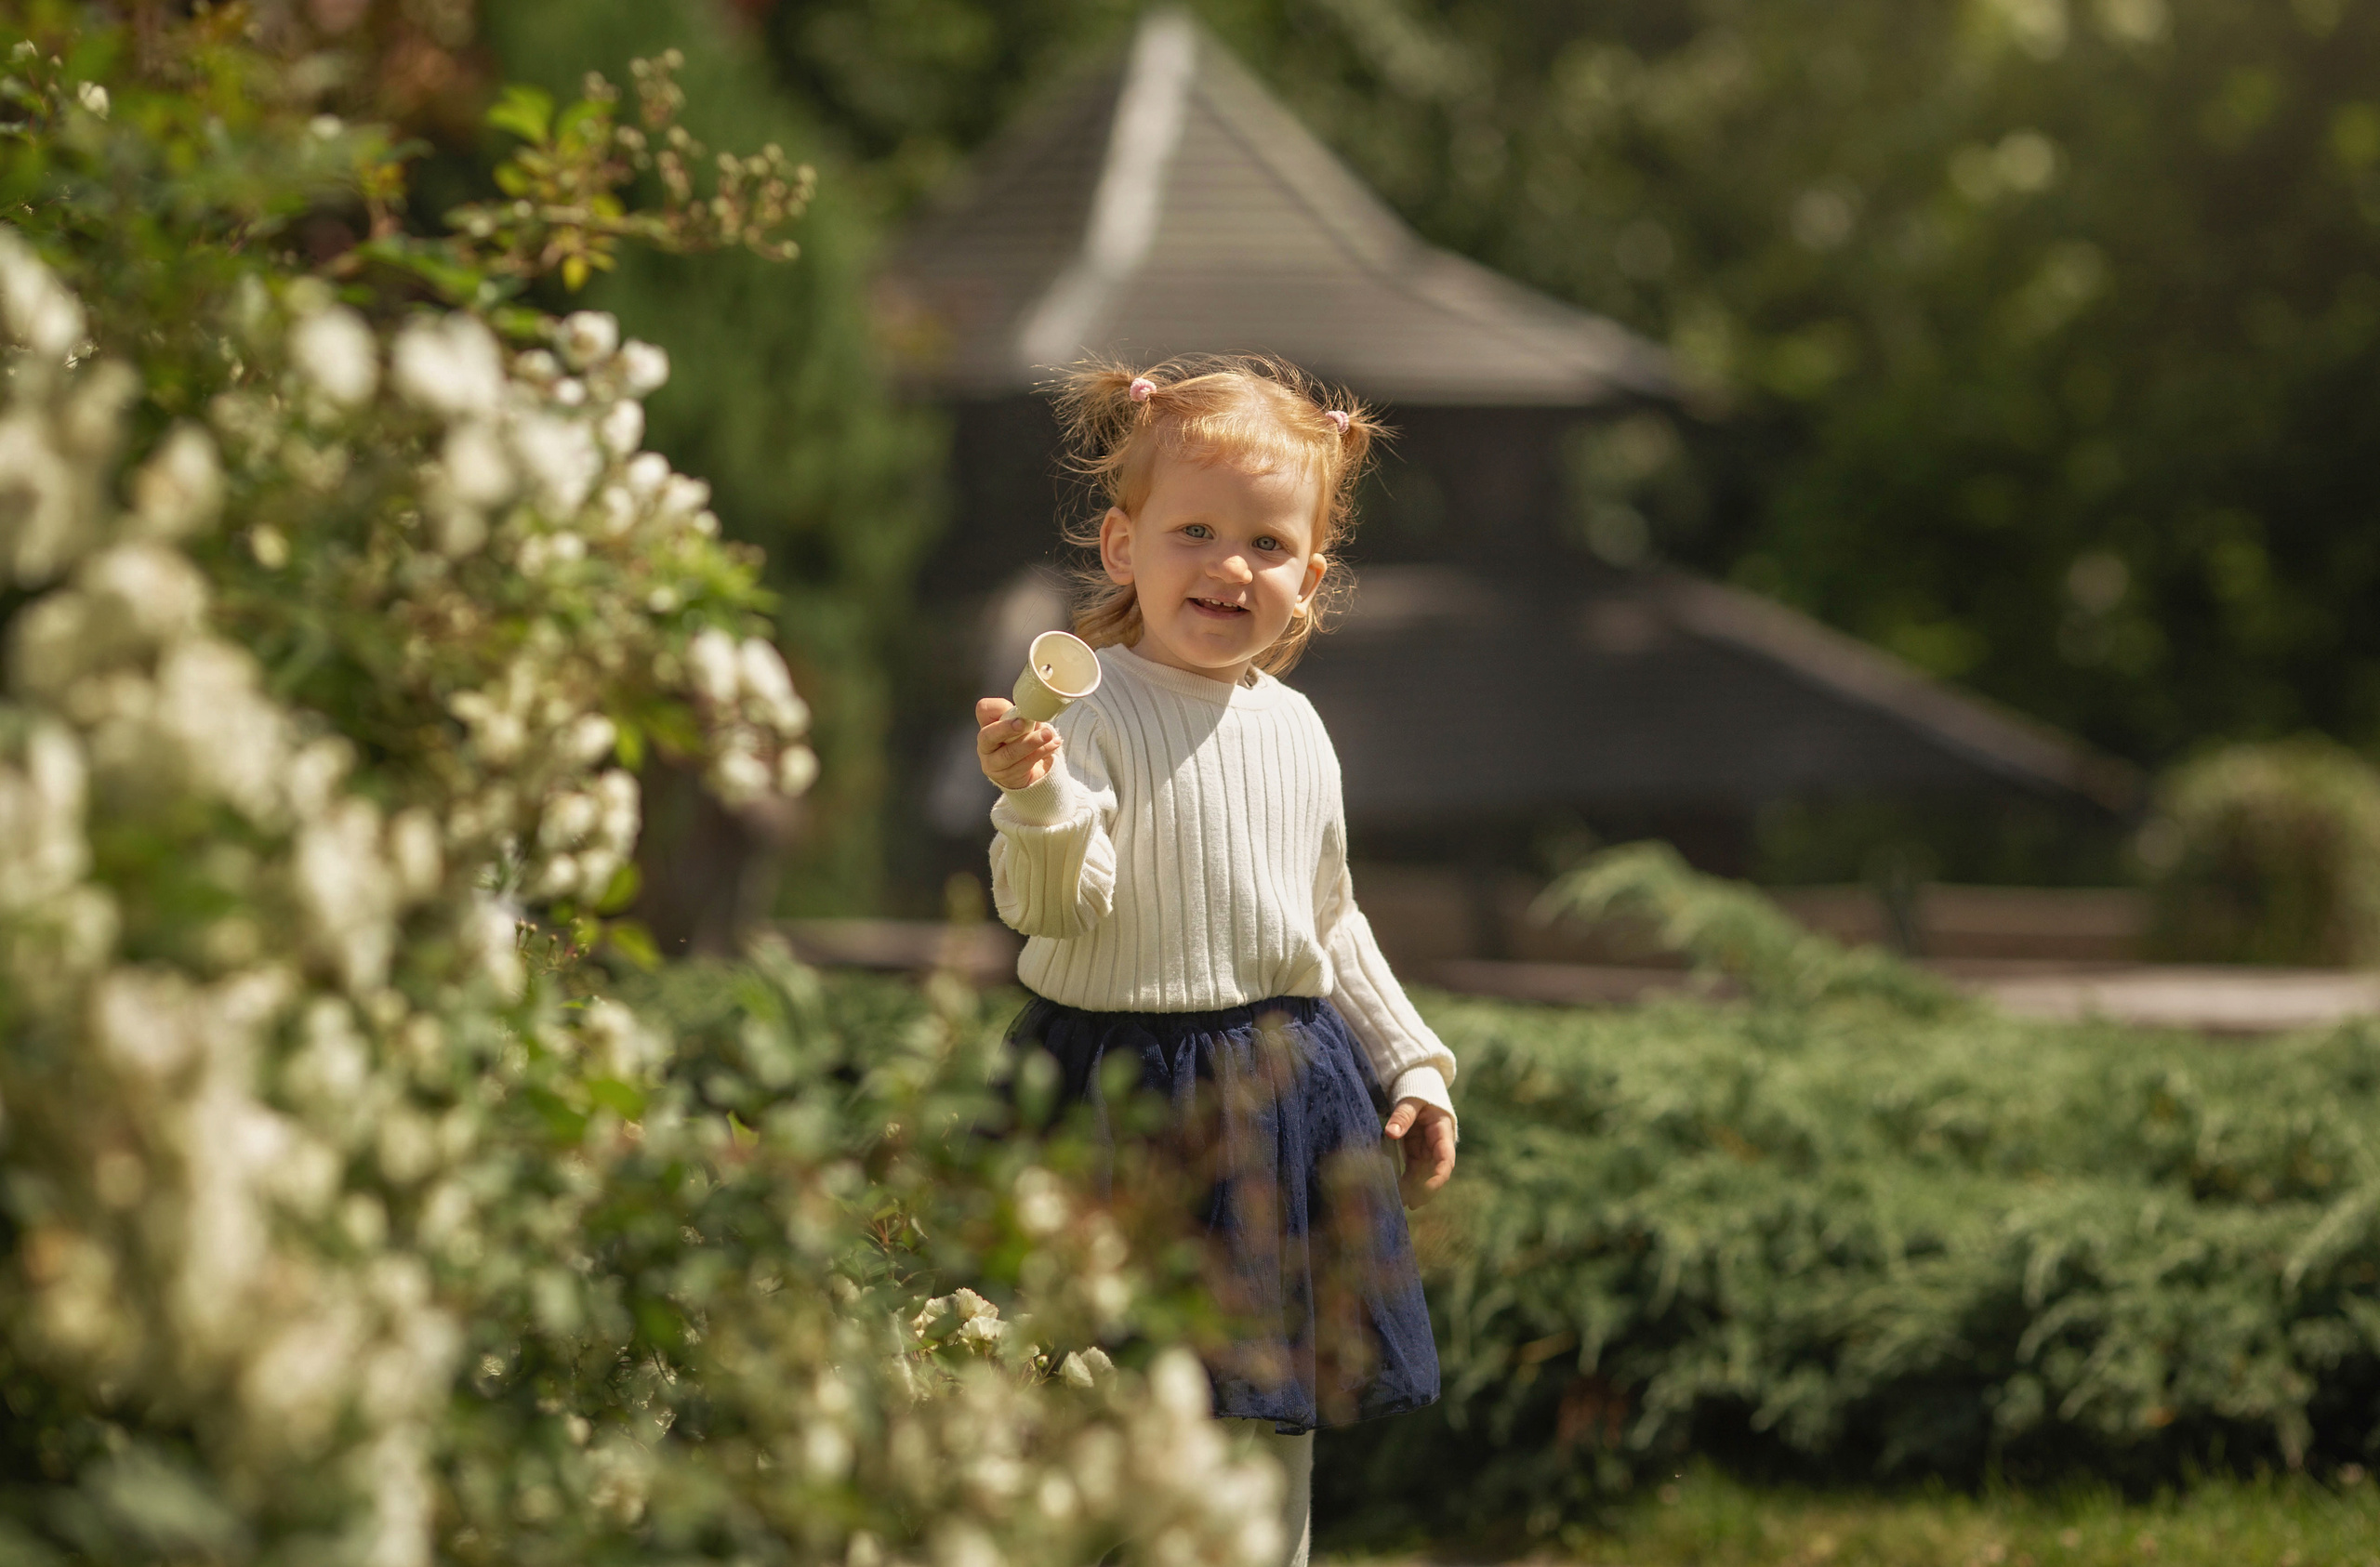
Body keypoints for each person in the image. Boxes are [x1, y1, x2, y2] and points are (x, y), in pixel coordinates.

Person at [973, 355, 1458, 1567]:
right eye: (1195, 530)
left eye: (1268, 543)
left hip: (1285, 1097)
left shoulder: (1296, 728)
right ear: (1122, 545)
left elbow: (1328, 920)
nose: (1230, 565)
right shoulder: (1086, 719)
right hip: (1117, 1096)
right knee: (1095, 1398)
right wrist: (1037, 800)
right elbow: (1053, 911)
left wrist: (1412, 1061)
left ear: (1311, 579)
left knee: (1264, 1408)